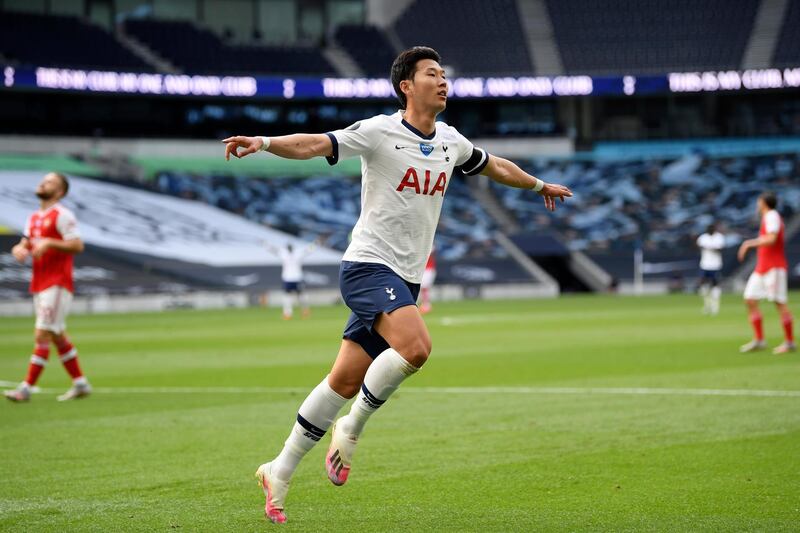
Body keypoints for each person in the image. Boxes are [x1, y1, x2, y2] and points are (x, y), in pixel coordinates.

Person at [222, 46, 572, 524]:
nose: (443, 81)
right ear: (407, 86)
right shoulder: (378, 132)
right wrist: (262, 141)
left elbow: (496, 166)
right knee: (416, 347)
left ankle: (278, 470)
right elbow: (314, 144)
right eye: (433, 74)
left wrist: (538, 186)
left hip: (403, 279)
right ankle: (351, 429)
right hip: (367, 266)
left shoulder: (450, 141)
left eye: (445, 74)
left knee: (343, 380)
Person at [4, 172, 92, 402]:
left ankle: (25, 388)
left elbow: (78, 244)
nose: (43, 183)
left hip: (57, 282)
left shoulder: (62, 215)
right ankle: (81, 383)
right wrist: (19, 249)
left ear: (60, 191)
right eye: (43, 181)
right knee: (56, 335)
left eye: (50, 182)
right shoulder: (33, 217)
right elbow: (25, 243)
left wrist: (51, 242)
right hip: (40, 281)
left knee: (42, 333)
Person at [737, 191, 795, 354]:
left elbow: (772, 239)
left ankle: (789, 342)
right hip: (763, 266)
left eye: (758, 202)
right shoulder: (768, 217)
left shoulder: (772, 216)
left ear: (763, 203)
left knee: (779, 303)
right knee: (750, 299)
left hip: (774, 267)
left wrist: (749, 243)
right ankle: (759, 340)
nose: (757, 205)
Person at [265, 240, 315, 319]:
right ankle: (288, 313)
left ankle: (304, 310)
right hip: (288, 278)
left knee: (300, 295)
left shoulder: (297, 253)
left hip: (297, 277)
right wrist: (266, 245)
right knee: (287, 296)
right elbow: (274, 250)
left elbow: (309, 250)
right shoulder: (284, 254)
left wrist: (316, 243)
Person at [696, 223, 724, 315]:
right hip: (705, 264)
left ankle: (715, 306)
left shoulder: (719, 237)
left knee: (715, 285)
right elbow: (698, 246)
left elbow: (720, 249)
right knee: (702, 284)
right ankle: (707, 304)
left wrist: (709, 248)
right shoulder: (703, 237)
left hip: (715, 265)